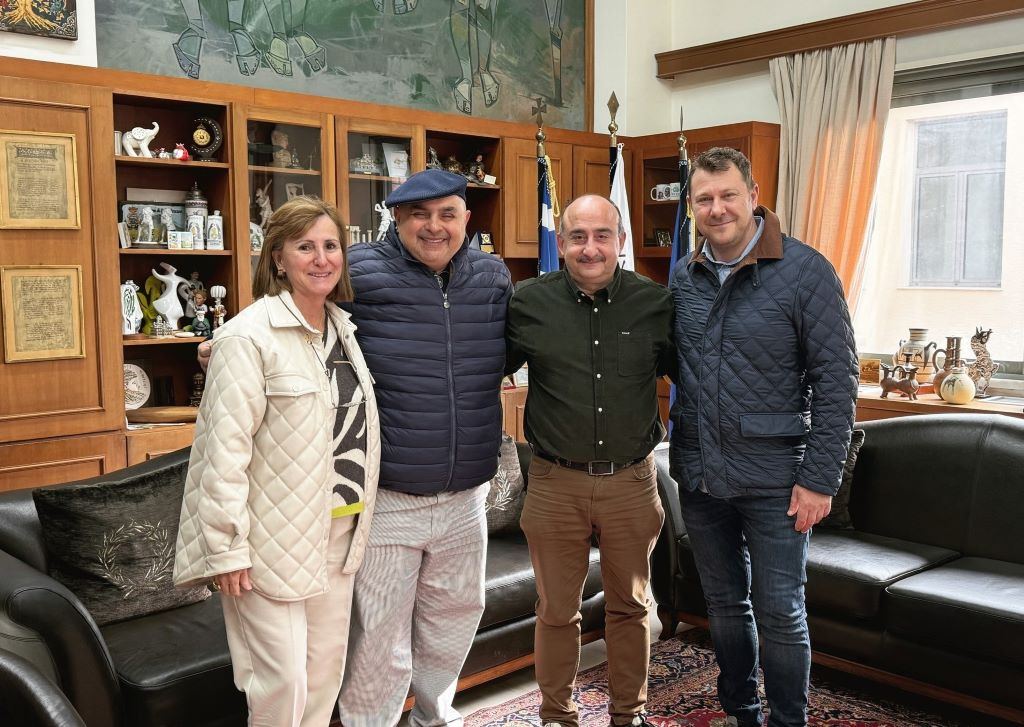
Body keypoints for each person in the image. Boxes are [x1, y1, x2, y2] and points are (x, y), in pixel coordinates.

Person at [668, 147, 858, 727]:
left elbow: (837, 381)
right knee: (724, 606)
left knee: (781, 612)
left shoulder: (805, 271)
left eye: (728, 195)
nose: (717, 209)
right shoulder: (684, 277)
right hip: (700, 476)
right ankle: (740, 713)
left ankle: (787, 721)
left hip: (778, 482)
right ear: (692, 206)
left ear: (753, 196)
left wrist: (820, 479)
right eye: (705, 199)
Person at [174, 196, 380, 727]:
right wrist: (226, 550)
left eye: (331, 245)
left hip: (339, 533)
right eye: (305, 247)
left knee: (324, 675)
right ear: (278, 259)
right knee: (281, 686)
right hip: (269, 543)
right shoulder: (246, 336)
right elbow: (222, 453)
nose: (321, 258)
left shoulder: (343, 329)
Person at [335, 168, 511, 727]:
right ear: (396, 218)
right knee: (379, 636)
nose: (434, 226)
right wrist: (227, 343)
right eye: (419, 215)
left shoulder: (492, 275)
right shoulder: (356, 270)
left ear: (467, 219)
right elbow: (295, 319)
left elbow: (505, 353)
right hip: (389, 496)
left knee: (456, 617)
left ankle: (434, 715)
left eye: (447, 214)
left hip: (467, 496)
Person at [505, 195, 674, 727]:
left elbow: (696, 377)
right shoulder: (528, 303)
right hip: (554, 483)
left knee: (631, 607)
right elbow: (482, 371)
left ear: (620, 241)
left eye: (602, 235)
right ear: (561, 243)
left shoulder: (656, 304)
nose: (590, 247)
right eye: (577, 236)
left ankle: (629, 714)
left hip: (631, 483)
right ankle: (557, 715)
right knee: (557, 611)